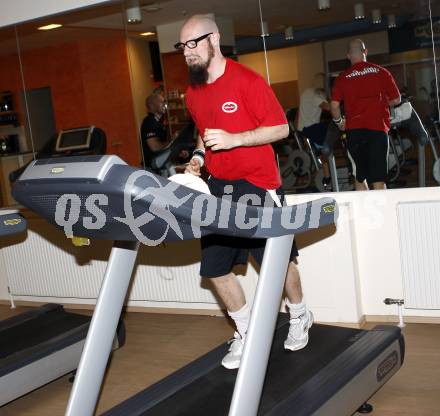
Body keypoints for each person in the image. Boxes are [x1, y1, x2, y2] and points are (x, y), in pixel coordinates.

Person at [176, 14, 313, 370]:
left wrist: (236, 139)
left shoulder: (247, 81)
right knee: (215, 269)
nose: (187, 52)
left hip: (258, 183)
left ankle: (299, 315)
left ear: (214, 39)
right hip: (218, 189)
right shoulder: (193, 92)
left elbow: (281, 127)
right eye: (182, 46)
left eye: (194, 43)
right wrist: (197, 156)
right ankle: (247, 331)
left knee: (276, 262)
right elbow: (205, 134)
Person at [330, 39, 401, 191]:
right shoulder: (382, 71)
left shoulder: (342, 78)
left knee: (359, 176)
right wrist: (381, 103)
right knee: (379, 178)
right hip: (377, 129)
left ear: (348, 56)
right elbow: (396, 99)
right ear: (365, 52)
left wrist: (339, 122)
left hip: (354, 131)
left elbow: (334, 106)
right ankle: (381, 213)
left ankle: (363, 213)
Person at [297, 73, 331, 188]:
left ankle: (328, 171)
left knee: (327, 130)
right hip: (309, 128)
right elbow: (329, 107)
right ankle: (327, 176)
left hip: (306, 127)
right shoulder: (314, 95)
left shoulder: (311, 92)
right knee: (325, 146)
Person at [140, 94, 170, 170]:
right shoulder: (149, 122)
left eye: (164, 102)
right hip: (152, 168)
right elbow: (155, 147)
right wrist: (171, 144)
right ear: (151, 105)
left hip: (160, 166)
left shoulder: (158, 122)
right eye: (161, 102)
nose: (164, 104)